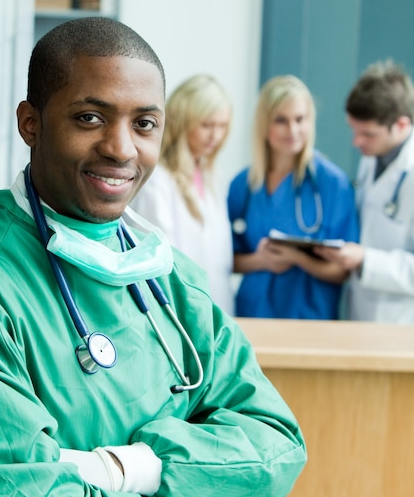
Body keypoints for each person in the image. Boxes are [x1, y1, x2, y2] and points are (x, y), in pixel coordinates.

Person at [0, 18, 306, 497]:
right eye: (89, 118)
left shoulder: (170, 279)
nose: (120, 148)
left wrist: (127, 470)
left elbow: (276, 450)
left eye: (144, 124)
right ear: (30, 123)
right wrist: (180, 495)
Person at [227, 74, 359, 319]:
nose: (293, 130)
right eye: (281, 121)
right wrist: (261, 261)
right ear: (264, 125)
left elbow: (343, 271)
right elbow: (223, 258)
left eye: (300, 119)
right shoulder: (243, 185)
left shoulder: (332, 184)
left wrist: (297, 258)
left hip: (309, 319)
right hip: (252, 315)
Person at [315, 60, 414, 323]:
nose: (356, 142)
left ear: (401, 125)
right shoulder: (371, 158)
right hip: (362, 311)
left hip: (402, 321)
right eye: (354, 130)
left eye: (368, 134)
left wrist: (365, 259)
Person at [131, 74, 234, 314]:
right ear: (182, 122)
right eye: (207, 125)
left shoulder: (212, 175)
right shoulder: (158, 180)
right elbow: (160, 262)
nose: (215, 136)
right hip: (178, 310)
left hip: (216, 306)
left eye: (222, 126)